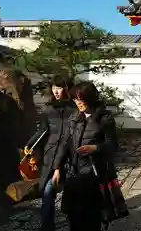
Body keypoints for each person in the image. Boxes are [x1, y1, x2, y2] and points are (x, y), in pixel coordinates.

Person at [58, 81, 124, 231]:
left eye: (80, 99)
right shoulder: (74, 118)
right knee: (73, 216)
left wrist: (95, 148)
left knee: (91, 217)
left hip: (93, 174)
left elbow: (113, 145)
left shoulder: (104, 118)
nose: (77, 102)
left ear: (89, 98)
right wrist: (57, 167)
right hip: (73, 173)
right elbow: (65, 144)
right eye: (75, 99)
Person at [24, 75, 75, 231]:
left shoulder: (75, 109)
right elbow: (42, 130)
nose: (56, 91)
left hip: (70, 157)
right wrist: (30, 144)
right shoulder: (48, 109)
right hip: (51, 155)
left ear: (67, 89)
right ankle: (47, 227)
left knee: (72, 194)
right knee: (47, 193)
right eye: (54, 87)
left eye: (59, 87)